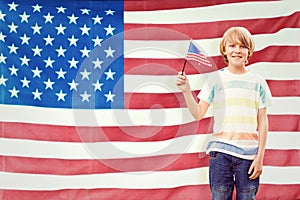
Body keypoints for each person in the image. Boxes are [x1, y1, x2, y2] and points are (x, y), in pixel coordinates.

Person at [176, 27, 272, 199]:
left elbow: (263, 122)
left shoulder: (258, 82)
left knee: (247, 196)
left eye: (242, 46)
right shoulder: (214, 79)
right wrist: (186, 91)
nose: (237, 50)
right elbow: (198, 113)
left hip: (249, 156)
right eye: (232, 45)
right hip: (220, 154)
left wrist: (260, 157)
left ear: (249, 50)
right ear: (224, 50)